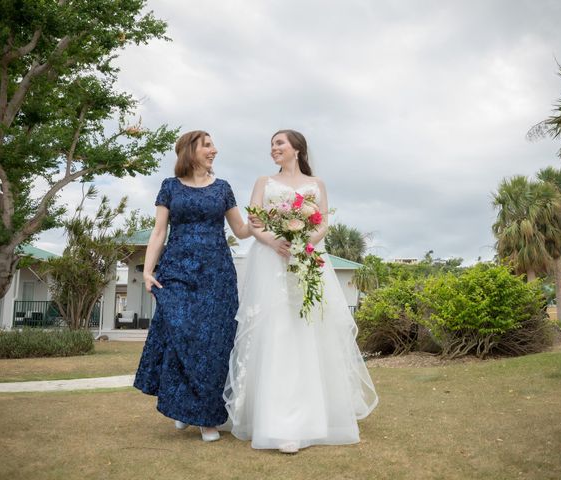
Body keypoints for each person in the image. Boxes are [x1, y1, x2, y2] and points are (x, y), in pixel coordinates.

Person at [223, 129, 378, 453]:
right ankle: (276, 422)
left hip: (307, 259)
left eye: (279, 143)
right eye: (271, 145)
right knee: (276, 331)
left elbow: (322, 223)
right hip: (271, 263)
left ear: (296, 148)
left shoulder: (316, 184)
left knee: (309, 331)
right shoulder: (264, 182)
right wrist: (274, 241)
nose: (273, 149)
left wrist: (306, 242)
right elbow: (254, 221)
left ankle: (311, 420)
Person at [134, 130, 251, 442]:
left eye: (214, 144)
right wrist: (148, 271)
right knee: (181, 336)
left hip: (217, 274)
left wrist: (276, 217)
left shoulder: (223, 188)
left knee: (214, 343)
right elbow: (159, 232)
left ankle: (205, 416)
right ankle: (186, 405)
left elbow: (240, 229)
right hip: (177, 271)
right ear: (190, 150)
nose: (215, 149)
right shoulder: (169, 187)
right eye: (208, 145)